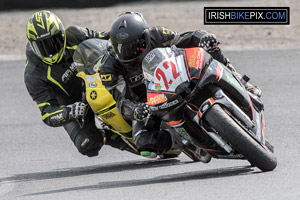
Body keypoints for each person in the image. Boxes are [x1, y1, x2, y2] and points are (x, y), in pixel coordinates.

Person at [98, 12, 261, 159]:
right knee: (144, 143)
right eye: (118, 48)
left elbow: (188, 38)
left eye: (131, 48)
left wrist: (203, 38)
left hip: (177, 76)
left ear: (144, 39)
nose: (124, 53)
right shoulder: (108, 68)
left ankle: (238, 79)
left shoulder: (158, 34)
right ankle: (180, 142)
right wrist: (136, 110)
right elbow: (121, 102)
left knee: (210, 47)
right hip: (148, 102)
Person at [24, 10, 128, 157]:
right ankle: (119, 139)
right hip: (74, 105)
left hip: (97, 83)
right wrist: (68, 112)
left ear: (62, 34)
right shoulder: (33, 74)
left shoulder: (75, 34)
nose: (50, 51)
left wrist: (124, 34)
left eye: (54, 42)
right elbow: (47, 113)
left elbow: (107, 37)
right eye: (43, 46)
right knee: (88, 144)